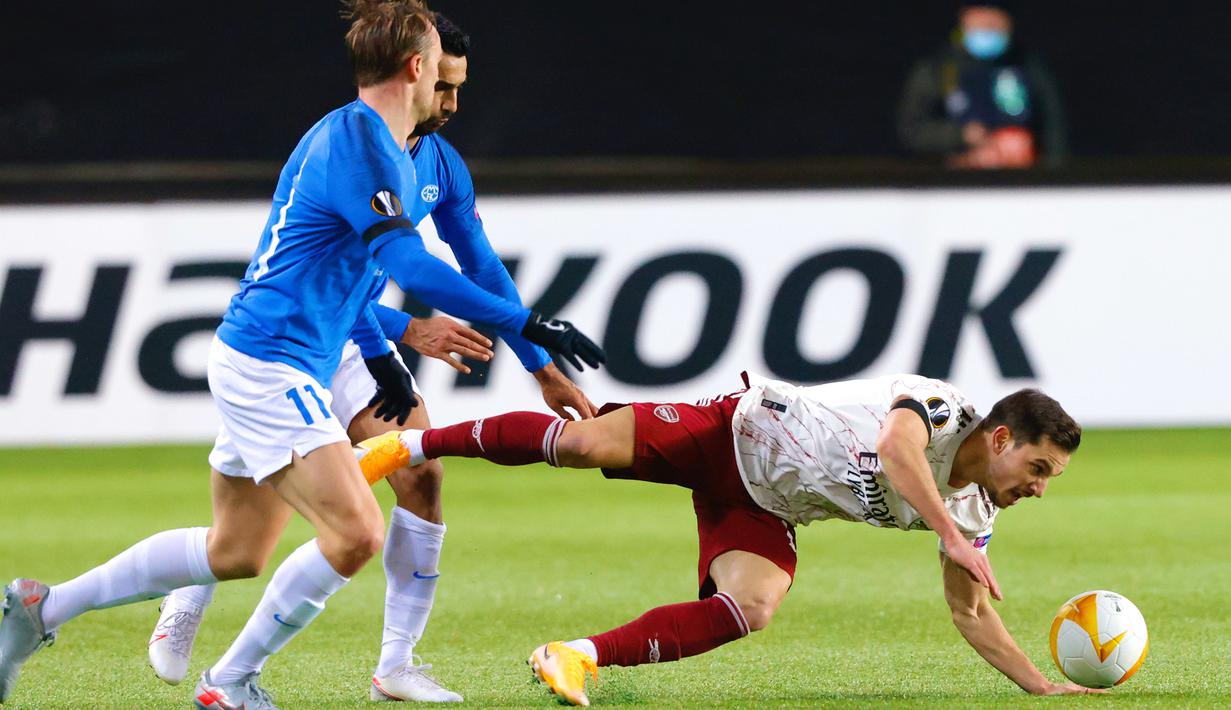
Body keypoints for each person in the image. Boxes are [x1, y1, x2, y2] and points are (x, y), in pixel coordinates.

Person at [0, 3, 604, 708]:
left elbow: (368, 272)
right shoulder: (355, 147)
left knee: (237, 552)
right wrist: (524, 321)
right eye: (442, 79)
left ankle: (42, 606)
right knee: (354, 533)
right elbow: (408, 263)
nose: (451, 99)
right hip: (273, 361)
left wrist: (409, 353)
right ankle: (229, 683)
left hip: (301, 355)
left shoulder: (411, 151)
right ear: (417, 67)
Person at [360, 372, 1104, 705]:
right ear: (1000, 438)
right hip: (734, 430)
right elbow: (895, 446)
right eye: (1037, 467)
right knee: (582, 443)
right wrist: (947, 534)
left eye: (1050, 478)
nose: (1038, 487)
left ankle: (574, 656)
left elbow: (970, 611)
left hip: (764, 504)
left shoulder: (974, 513)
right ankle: (409, 446)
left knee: (752, 606)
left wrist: (1039, 685)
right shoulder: (942, 408)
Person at [896, 2, 1068, 169]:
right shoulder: (938, 69)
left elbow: (1054, 129)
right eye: (981, 19)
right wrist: (963, 135)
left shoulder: (1027, 66)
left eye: (994, 20)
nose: (987, 27)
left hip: (1020, 177)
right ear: (964, 19)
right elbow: (912, 132)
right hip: (953, 179)